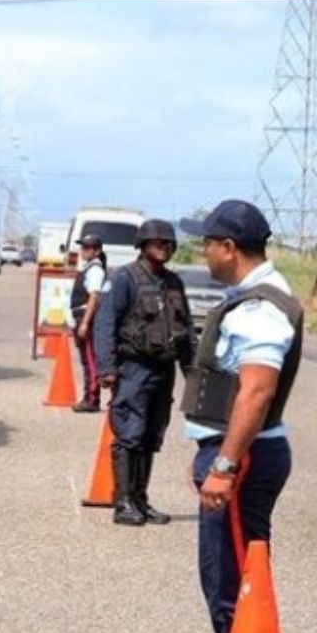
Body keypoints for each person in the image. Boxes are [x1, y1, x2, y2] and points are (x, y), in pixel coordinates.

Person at [177, 199, 303, 633]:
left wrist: (224, 465)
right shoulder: (253, 299)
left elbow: (256, 391)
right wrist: (209, 451)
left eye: (206, 242)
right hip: (238, 453)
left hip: (247, 460)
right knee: (238, 577)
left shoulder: (259, 310)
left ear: (229, 249)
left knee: (230, 583)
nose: (201, 250)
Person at [91, 219, 195, 526]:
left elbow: (185, 330)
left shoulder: (174, 283)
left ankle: (141, 499)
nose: (164, 248)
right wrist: (107, 368)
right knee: (130, 434)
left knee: (152, 436)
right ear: (143, 245)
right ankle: (123, 501)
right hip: (134, 368)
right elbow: (105, 323)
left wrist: (193, 373)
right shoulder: (124, 279)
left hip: (164, 370)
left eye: (169, 244)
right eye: (158, 243)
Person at [69, 234, 107, 412]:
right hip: (80, 316)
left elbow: (94, 296)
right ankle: (89, 397)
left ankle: (92, 399)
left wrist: (85, 323)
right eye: (83, 247)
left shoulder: (95, 270)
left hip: (87, 317)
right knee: (86, 360)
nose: (84, 250)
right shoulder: (88, 268)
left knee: (90, 360)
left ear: (97, 251)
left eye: (88, 247)